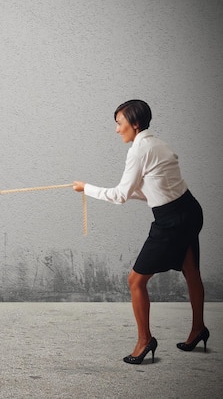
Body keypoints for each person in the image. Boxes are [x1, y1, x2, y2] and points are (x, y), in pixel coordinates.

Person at [73, 99, 207, 364]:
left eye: (119, 123)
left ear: (134, 124)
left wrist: (86, 188)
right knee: (192, 272)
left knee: (135, 281)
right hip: (190, 210)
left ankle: (145, 340)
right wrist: (97, 189)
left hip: (172, 221)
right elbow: (152, 192)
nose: (116, 130)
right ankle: (198, 329)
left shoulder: (138, 151)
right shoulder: (158, 144)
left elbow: (121, 195)